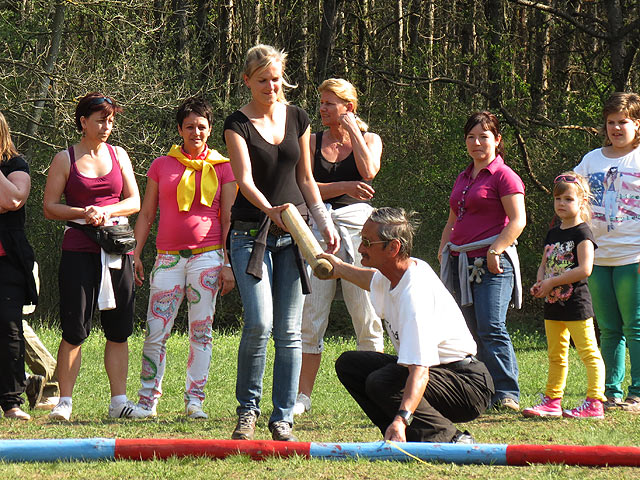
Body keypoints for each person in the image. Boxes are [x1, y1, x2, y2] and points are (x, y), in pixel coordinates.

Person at [223, 44, 339, 442]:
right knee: (259, 323)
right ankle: (247, 412)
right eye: (262, 81)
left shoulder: (299, 118)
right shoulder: (236, 123)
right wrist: (272, 210)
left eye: (275, 79)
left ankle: (283, 417)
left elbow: (307, 179)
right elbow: (244, 181)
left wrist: (323, 224)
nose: (270, 86)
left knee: (290, 331)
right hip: (249, 233)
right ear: (247, 81)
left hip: (294, 236)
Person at [326, 207, 493, 443]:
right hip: (442, 372)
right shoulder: (395, 273)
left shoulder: (414, 295)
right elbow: (370, 280)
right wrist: (338, 268)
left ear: (392, 248)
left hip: (466, 384)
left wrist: (401, 418)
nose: (361, 248)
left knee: (382, 381)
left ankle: (451, 439)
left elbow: (420, 371)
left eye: (366, 242)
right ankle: (398, 436)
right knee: (351, 364)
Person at [133, 97, 236, 419]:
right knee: (154, 332)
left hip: (208, 257)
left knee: (201, 332)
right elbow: (147, 213)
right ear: (180, 129)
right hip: (167, 259)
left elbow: (229, 218)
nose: (196, 132)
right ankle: (147, 402)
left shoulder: (223, 167)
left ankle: (195, 401)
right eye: (189, 126)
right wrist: (136, 253)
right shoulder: (161, 165)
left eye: (202, 127)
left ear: (210, 130)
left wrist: (229, 264)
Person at [43, 93, 141, 420]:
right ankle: (64, 403)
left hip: (116, 250)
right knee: (74, 329)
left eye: (110, 120)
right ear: (83, 121)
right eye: (100, 120)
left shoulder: (120, 155)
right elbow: (50, 207)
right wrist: (84, 213)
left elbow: (134, 201)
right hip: (78, 251)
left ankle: (119, 403)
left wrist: (105, 209)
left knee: (119, 328)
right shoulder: (64, 159)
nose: (106, 126)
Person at [294, 78, 384, 416]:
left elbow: (369, 171)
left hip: (359, 231)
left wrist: (353, 131)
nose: (323, 108)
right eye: (321, 102)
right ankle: (302, 397)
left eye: (330, 103)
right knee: (311, 314)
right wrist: (344, 185)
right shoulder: (313, 141)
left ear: (348, 106)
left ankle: (375, 390)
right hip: (318, 229)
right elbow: (305, 185)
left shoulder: (371, 139)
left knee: (366, 315)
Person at [439, 111, 526, 411]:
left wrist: (495, 251)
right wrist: (442, 253)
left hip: (493, 265)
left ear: (497, 140)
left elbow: (517, 220)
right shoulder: (463, 176)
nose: (477, 143)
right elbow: (453, 219)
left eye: (484, 137)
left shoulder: (504, 176)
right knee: (469, 331)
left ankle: (506, 392)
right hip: (460, 262)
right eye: (471, 137)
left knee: (491, 327)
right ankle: (481, 391)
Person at [574, 92, 640, 411]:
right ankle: (612, 392)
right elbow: (569, 187)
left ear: (637, 124)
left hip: (634, 258)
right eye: (611, 122)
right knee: (610, 328)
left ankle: (637, 392)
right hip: (598, 258)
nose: (616, 128)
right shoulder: (592, 160)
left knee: (635, 326)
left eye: (623, 122)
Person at [523, 172, 606, 419]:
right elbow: (544, 263)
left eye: (568, 199)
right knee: (556, 354)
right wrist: (541, 282)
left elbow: (585, 269)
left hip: (576, 305)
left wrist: (552, 282)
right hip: (552, 305)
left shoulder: (583, 233)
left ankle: (595, 403)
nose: (561, 203)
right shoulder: (553, 232)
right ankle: (552, 401)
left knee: (589, 353)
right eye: (557, 198)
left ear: (581, 202)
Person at [0, 111, 38, 421]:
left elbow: (13, 200)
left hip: (7, 262)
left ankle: (11, 402)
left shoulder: (16, 166)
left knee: (9, 328)